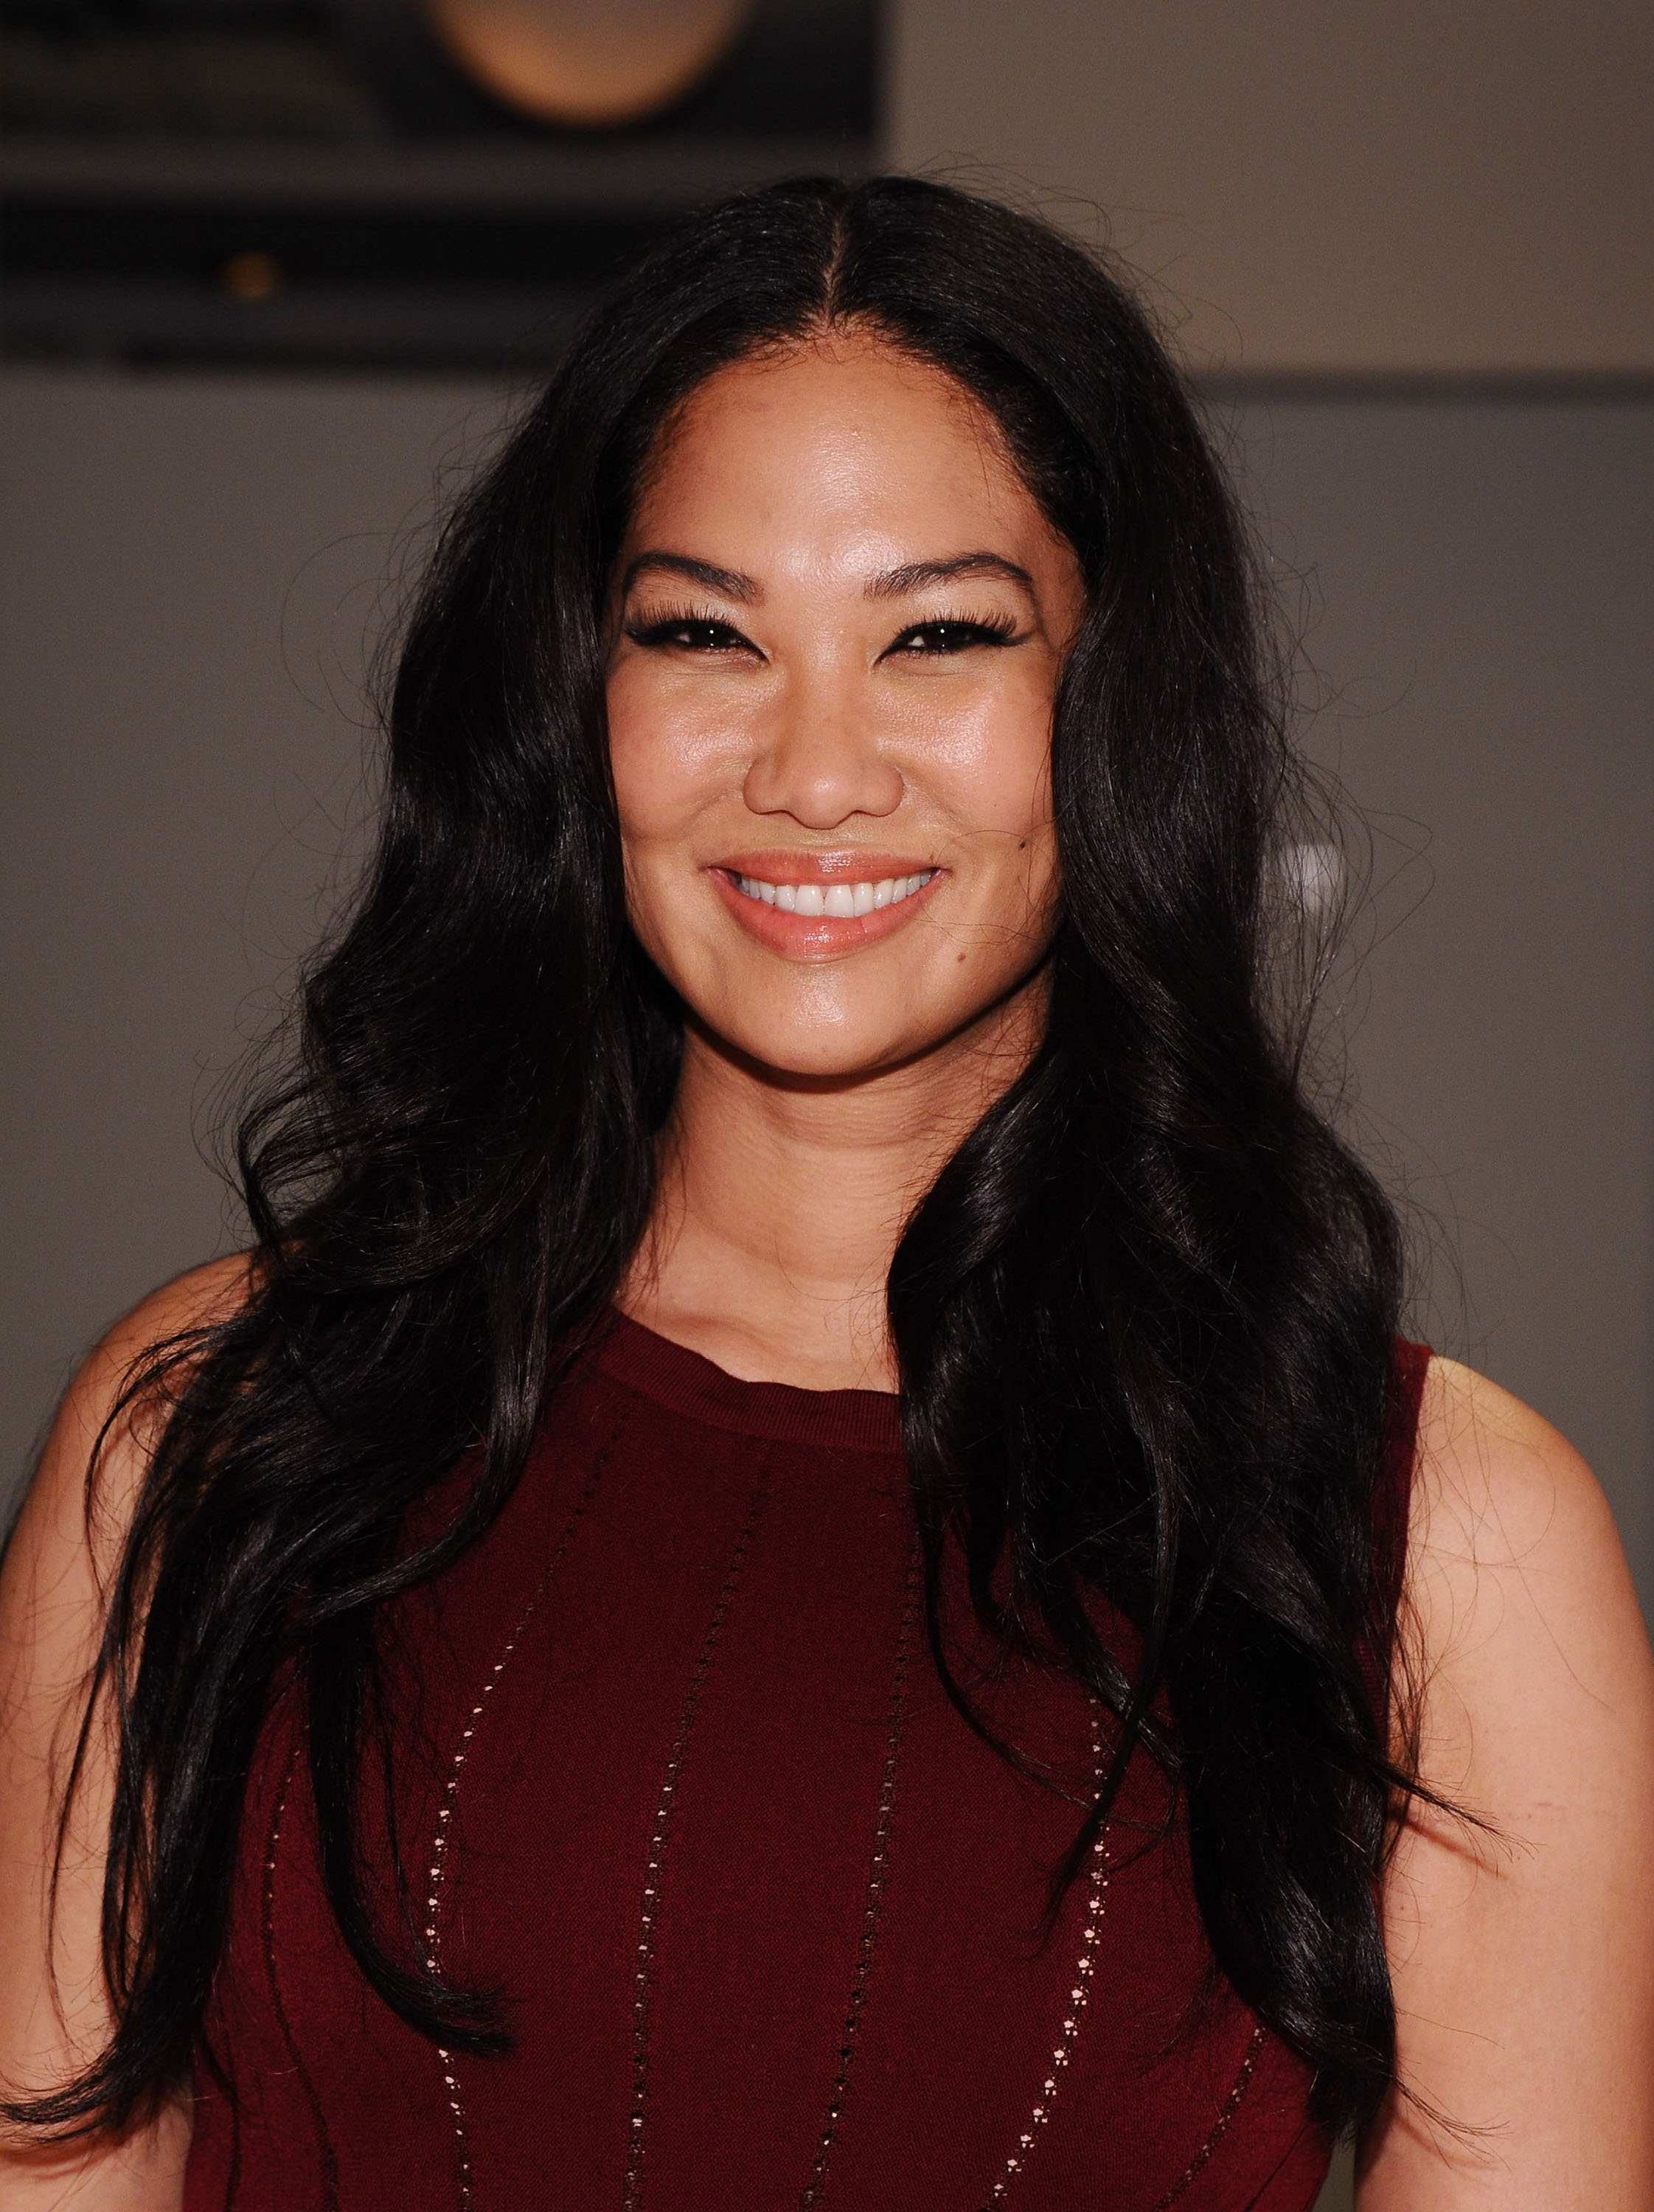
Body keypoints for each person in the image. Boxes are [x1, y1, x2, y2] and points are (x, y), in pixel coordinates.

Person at [2, 175, 1651, 2212]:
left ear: (1116, 702)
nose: (811, 764)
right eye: (701, 632)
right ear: (572, 706)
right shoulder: (216, 1430)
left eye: (939, 634)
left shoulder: (1439, 1543)